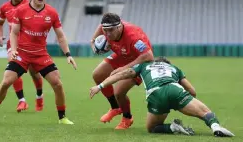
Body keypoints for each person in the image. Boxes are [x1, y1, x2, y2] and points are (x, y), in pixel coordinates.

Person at [0, 0, 77, 125]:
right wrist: (14, 50)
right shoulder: (21, 10)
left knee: (58, 84)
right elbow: (14, 32)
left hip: (41, 54)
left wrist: (68, 55)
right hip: (22, 54)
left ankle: (62, 118)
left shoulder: (52, 12)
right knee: (6, 82)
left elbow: (60, 35)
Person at [90, 57, 235, 137]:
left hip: (156, 94)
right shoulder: (174, 68)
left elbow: (121, 74)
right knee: (205, 112)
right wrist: (181, 103)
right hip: (175, 90)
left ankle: (173, 127)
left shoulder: (144, 66)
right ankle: (216, 126)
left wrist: (100, 86)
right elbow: (192, 91)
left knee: (152, 128)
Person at [91, 13, 154, 129]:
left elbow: (148, 56)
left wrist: (124, 68)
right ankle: (115, 108)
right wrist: (93, 40)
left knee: (119, 92)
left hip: (140, 61)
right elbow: (101, 26)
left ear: (119, 27)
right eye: (106, 30)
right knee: (97, 74)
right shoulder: (107, 27)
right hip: (123, 54)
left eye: (111, 30)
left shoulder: (134, 36)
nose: (108, 34)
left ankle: (127, 117)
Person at [0, 0, 44, 112]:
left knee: (34, 74)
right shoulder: (4, 8)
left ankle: (39, 96)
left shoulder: (30, 5)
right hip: (13, 44)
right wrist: (0, 36)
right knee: (12, 71)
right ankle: (22, 101)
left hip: (30, 46)